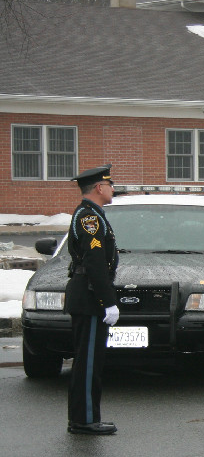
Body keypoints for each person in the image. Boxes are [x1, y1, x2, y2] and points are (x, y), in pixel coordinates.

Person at [65, 164, 119, 435]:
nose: (112, 189)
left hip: (87, 295)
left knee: (89, 360)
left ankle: (84, 416)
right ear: (99, 188)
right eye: (109, 185)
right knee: (87, 363)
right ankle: (84, 419)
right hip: (89, 297)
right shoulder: (90, 218)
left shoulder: (93, 214)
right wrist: (107, 301)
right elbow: (95, 263)